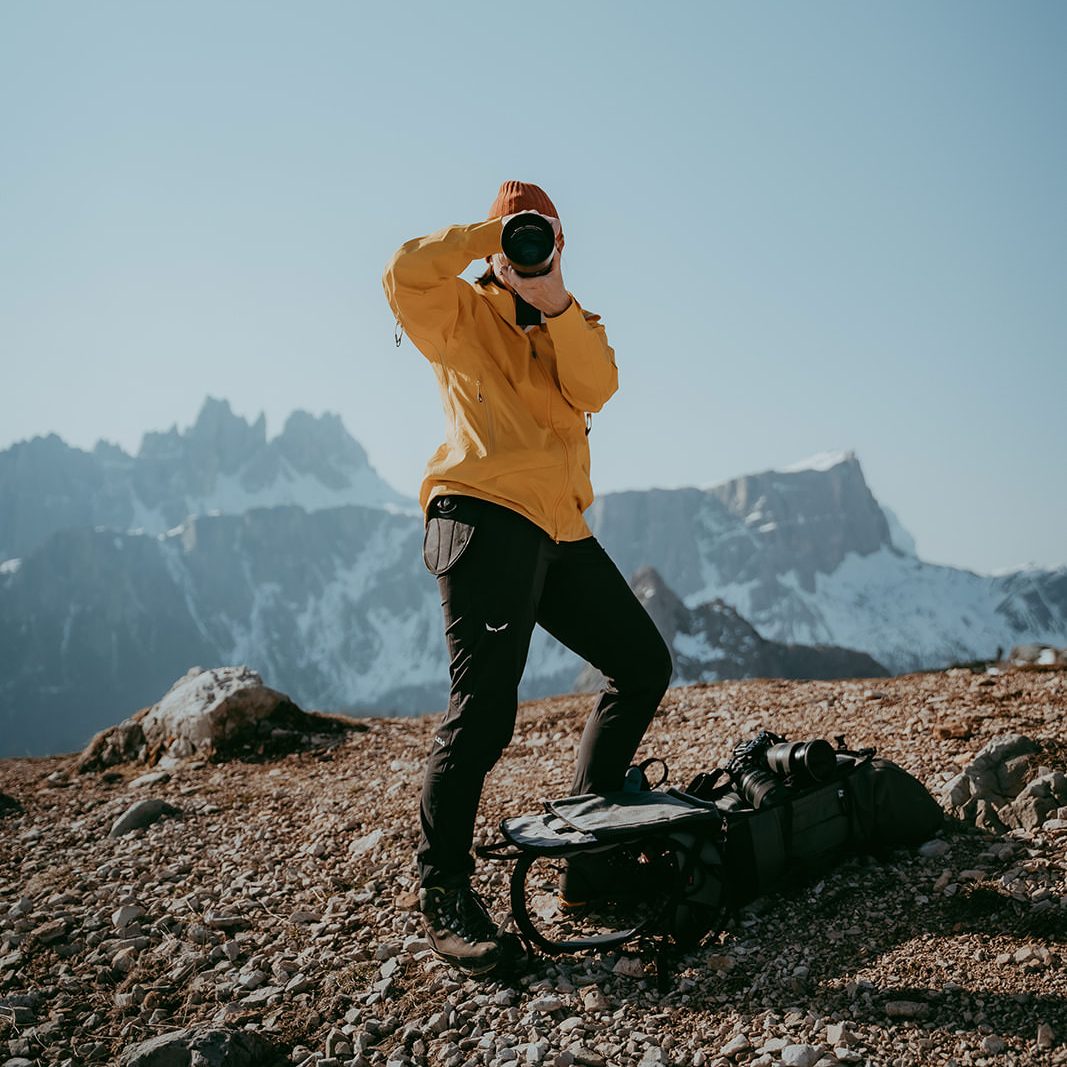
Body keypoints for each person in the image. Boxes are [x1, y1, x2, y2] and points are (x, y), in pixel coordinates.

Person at [382, 180, 673, 975]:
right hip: (481, 513)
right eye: (519, 236)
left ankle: (589, 856)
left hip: (560, 528)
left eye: (539, 235)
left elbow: (598, 387)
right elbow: (402, 273)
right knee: (482, 712)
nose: (526, 248)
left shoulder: (572, 324)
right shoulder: (460, 311)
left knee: (643, 663)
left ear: (560, 245)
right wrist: (486, 236)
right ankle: (443, 893)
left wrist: (552, 298)